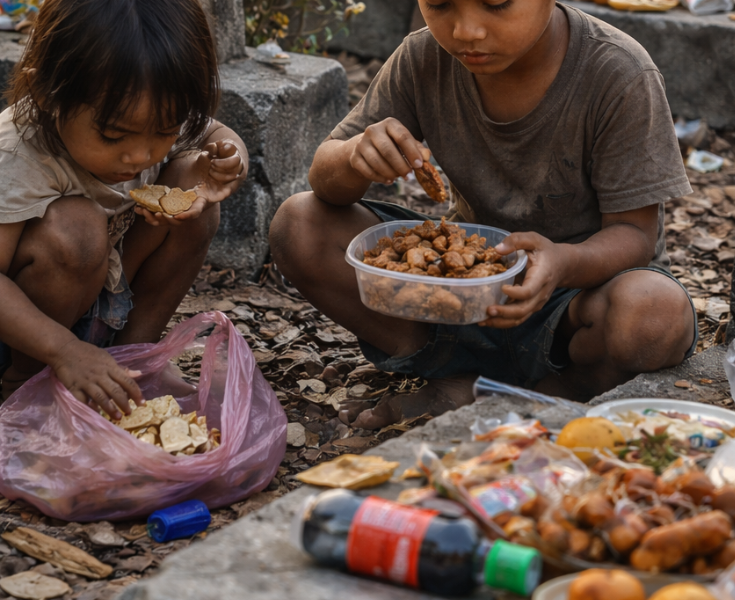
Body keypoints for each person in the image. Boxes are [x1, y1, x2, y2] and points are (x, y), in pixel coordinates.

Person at [270, 0, 697, 428]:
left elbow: (635, 233)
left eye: (496, 3)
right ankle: (452, 377)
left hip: (573, 304)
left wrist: (563, 264)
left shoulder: (618, 72)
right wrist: (354, 156)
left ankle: (532, 397)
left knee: (653, 314)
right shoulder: (423, 58)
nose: (466, 30)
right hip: (458, 298)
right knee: (299, 225)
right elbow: (323, 178)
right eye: (439, 3)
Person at [0, 0, 249, 415]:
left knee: (193, 187)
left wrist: (228, 163)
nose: (140, 156)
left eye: (164, 132)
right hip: (24, 332)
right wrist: (62, 351)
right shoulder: (17, 156)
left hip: (105, 299)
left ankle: (136, 361)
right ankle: (25, 386)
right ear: (47, 94)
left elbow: (213, 132)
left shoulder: (148, 106)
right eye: (114, 136)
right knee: (76, 229)